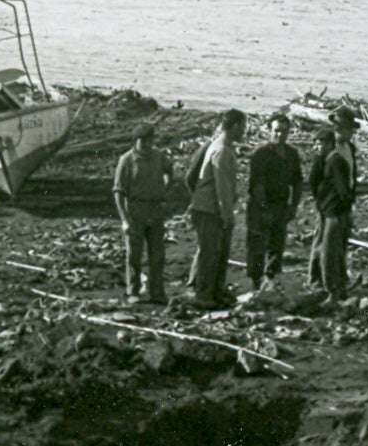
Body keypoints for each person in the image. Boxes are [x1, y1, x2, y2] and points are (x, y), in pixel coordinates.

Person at [185, 109, 245, 310]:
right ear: (235, 126)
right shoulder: (221, 150)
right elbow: (222, 188)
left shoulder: (223, 147)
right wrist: (227, 215)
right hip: (210, 210)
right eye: (243, 127)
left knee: (218, 253)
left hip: (212, 208)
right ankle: (203, 294)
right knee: (210, 253)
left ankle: (214, 291)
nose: (244, 131)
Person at [244, 113, 306, 294]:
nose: (280, 135)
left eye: (284, 131)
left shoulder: (292, 154)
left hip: (280, 204)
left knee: (277, 244)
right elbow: (256, 185)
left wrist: (294, 205)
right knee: (257, 245)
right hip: (260, 205)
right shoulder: (261, 154)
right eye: (276, 131)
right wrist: (263, 209)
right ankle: (256, 282)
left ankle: (271, 278)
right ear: (270, 131)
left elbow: (297, 181)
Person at [113, 123, 172, 303]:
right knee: (134, 256)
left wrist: (165, 188)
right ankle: (133, 291)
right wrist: (124, 219)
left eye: (149, 141)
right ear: (136, 141)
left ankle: (157, 292)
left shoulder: (158, 156)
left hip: (155, 210)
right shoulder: (127, 160)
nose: (147, 145)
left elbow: (169, 170)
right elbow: (118, 191)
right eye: (143, 141)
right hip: (135, 212)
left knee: (157, 255)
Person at [314, 106, 360, 303]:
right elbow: (314, 179)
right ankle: (322, 285)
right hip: (330, 206)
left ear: (351, 130)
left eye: (344, 128)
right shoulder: (329, 151)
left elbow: (350, 177)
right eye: (337, 127)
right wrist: (322, 202)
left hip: (343, 206)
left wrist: (350, 200)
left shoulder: (349, 149)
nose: (340, 131)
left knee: (337, 247)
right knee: (325, 247)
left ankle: (337, 284)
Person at [306, 126, 336, 292]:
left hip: (327, 205)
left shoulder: (329, 159)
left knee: (324, 241)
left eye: (322, 144)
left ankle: (320, 278)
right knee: (320, 242)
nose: (318, 148)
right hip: (324, 206)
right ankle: (314, 278)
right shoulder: (320, 161)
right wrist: (320, 201)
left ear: (331, 145)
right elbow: (313, 183)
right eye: (317, 144)